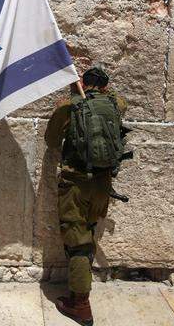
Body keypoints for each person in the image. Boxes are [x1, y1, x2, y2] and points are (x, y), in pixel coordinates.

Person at [44, 64, 127, 326]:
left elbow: (52, 140)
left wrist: (73, 95)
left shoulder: (68, 106)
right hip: (103, 184)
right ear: (104, 85)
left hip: (75, 185)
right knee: (88, 233)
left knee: (77, 242)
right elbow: (115, 101)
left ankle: (80, 304)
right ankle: (81, 284)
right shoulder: (116, 103)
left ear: (83, 82)